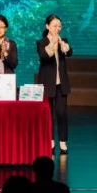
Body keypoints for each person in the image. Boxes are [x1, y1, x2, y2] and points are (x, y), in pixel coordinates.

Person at [36, 14, 73, 154]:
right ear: (47, 26)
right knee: (48, 114)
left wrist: (62, 43)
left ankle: (63, 141)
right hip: (47, 83)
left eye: (59, 26)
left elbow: (69, 52)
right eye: (54, 26)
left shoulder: (63, 40)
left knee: (62, 113)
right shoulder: (41, 42)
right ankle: (50, 140)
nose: (57, 28)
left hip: (61, 83)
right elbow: (44, 56)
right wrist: (52, 43)